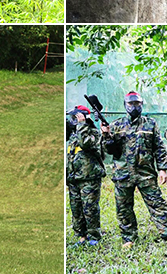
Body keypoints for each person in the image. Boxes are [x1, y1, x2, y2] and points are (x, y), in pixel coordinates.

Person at [101, 92, 167, 247]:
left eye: (137, 104)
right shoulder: (116, 125)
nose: (134, 107)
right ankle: (129, 238)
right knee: (123, 207)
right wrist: (106, 136)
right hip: (122, 173)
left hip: (145, 173)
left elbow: (159, 147)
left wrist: (162, 169)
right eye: (131, 104)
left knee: (157, 204)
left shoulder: (150, 124)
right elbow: (109, 150)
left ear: (142, 105)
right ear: (125, 105)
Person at [66, 105, 105, 246]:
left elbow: (86, 144)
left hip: (89, 178)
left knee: (90, 208)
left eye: (76, 118)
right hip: (74, 178)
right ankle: (81, 236)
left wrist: (82, 124)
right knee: (76, 209)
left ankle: (94, 236)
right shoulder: (74, 134)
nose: (74, 121)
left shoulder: (93, 133)